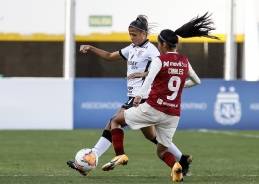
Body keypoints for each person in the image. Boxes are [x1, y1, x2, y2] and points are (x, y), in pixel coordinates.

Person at [67, 15, 193, 176]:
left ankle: (92, 158)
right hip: (134, 97)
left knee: (113, 122)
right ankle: (182, 158)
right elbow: (110, 57)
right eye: (130, 34)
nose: (131, 37)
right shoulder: (131, 48)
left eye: (134, 34)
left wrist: (144, 73)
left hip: (142, 97)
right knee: (153, 136)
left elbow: (162, 67)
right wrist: (91, 48)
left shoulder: (152, 50)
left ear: (144, 34)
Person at [101, 12, 219, 182]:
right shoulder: (185, 61)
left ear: (163, 45)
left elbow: (148, 80)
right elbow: (197, 81)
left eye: (159, 44)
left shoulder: (160, 60)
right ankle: (176, 166)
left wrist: (139, 95)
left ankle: (120, 155)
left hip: (155, 108)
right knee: (162, 151)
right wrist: (181, 85)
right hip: (173, 114)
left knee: (115, 121)